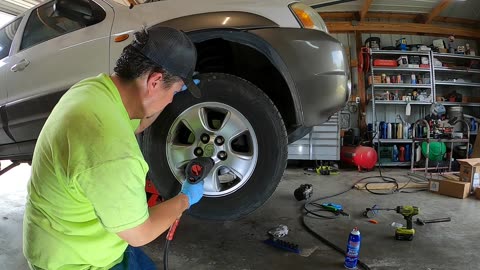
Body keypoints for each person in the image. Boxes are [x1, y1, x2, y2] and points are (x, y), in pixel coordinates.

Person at [23, 26, 203, 270]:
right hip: (75, 262)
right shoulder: (114, 152)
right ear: (155, 81)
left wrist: (166, 95)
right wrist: (185, 199)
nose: (173, 99)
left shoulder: (94, 91)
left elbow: (136, 124)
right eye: (174, 92)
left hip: (61, 234)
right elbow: (141, 233)